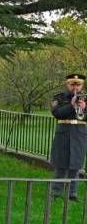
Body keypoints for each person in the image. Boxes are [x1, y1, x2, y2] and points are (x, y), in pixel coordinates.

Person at [50, 73, 87, 201]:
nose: (75, 87)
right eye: (72, 84)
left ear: (82, 85)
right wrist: (71, 105)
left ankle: (73, 193)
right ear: (67, 84)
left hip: (79, 133)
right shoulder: (59, 97)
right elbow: (57, 113)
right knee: (60, 163)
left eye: (78, 84)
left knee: (75, 165)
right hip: (63, 132)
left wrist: (85, 108)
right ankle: (56, 192)